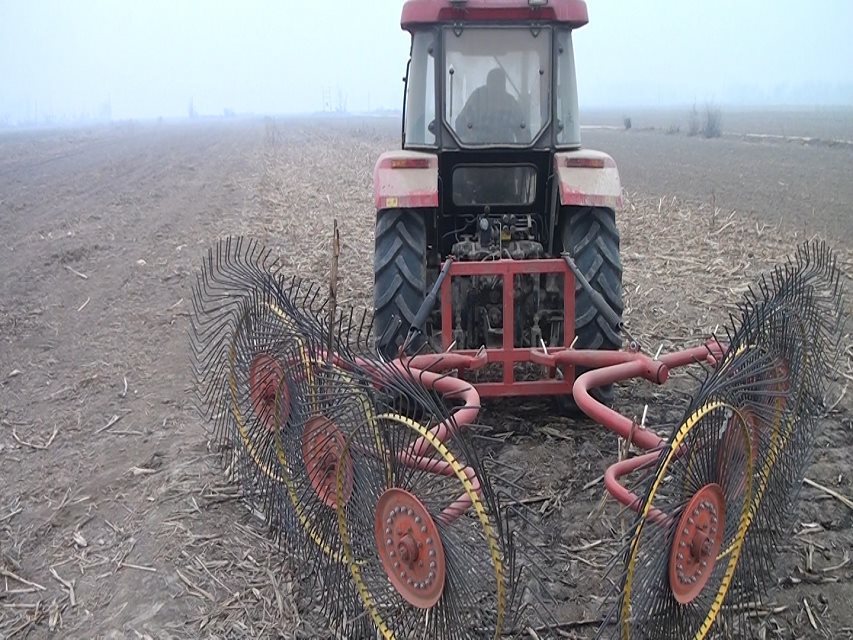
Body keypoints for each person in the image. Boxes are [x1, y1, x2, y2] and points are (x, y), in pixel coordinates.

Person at [455, 67, 525, 144]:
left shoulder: (511, 104)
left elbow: (523, 131)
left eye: (500, 84)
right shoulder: (477, 98)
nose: (497, 88)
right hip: (476, 151)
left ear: (504, 86)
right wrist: (469, 139)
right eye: (494, 83)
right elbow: (460, 124)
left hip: (506, 151)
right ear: (488, 84)